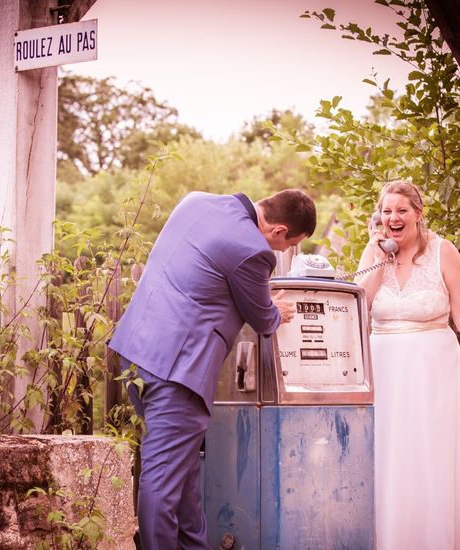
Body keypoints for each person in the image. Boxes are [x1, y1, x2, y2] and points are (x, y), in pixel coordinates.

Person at [109, 189, 316, 549]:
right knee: (162, 479)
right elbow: (262, 317)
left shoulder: (195, 202)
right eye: (286, 247)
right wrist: (277, 311)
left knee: (183, 471)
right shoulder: (253, 250)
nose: (280, 253)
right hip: (179, 370)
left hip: (137, 352)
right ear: (279, 231)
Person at [355, 180, 460, 550]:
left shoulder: (444, 252)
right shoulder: (373, 252)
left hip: (434, 371)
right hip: (384, 370)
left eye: (401, 210)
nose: (393, 218)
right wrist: (380, 257)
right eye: (386, 211)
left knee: (430, 458)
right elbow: (359, 305)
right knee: (390, 458)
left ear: (418, 213)